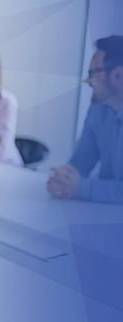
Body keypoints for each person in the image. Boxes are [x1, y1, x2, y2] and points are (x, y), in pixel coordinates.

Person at [47, 36, 123, 204]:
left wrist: (82, 188)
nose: (87, 81)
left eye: (92, 74)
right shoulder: (97, 108)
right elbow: (80, 163)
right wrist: (63, 182)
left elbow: (81, 185)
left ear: (117, 75)